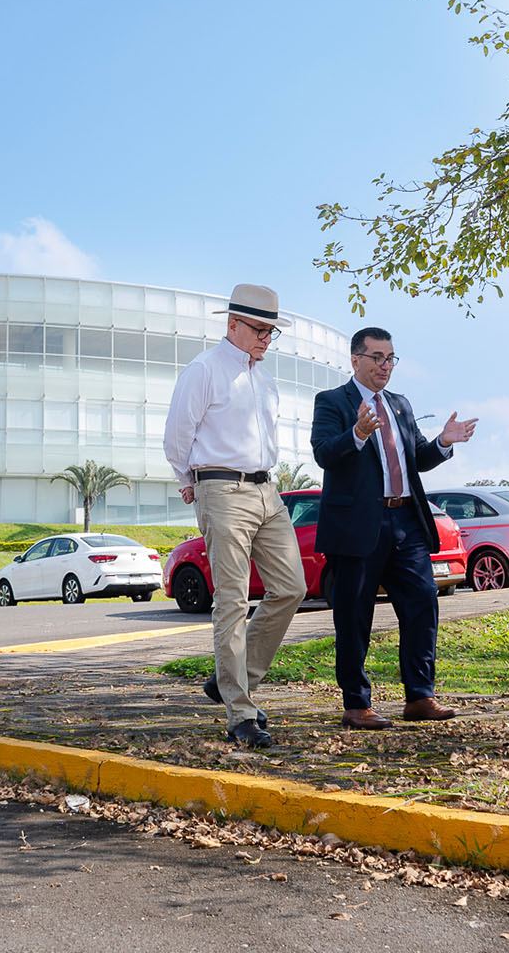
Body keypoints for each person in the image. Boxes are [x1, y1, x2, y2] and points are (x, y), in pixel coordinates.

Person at [162, 283, 307, 750]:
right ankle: (240, 712)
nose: (267, 339)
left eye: (272, 332)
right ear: (233, 326)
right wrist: (191, 480)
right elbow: (177, 435)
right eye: (261, 330)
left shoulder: (262, 379)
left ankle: (234, 678)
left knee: (291, 588)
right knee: (232, 598)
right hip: (221, 488)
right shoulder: (204, 370)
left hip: (268, 489)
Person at [310, 326, 477, 730]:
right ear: (356, 360)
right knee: (354, 616)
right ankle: (357, 704)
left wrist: (442, 443)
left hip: (406, 522)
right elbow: (324, 454)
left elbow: (416, 456)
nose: (385, 366)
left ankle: (420, 697)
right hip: (357, 527)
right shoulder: (333, 401)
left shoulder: (400, 404)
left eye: (390, 359)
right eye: (377, 358)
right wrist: (358, 433)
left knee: (423, 604)